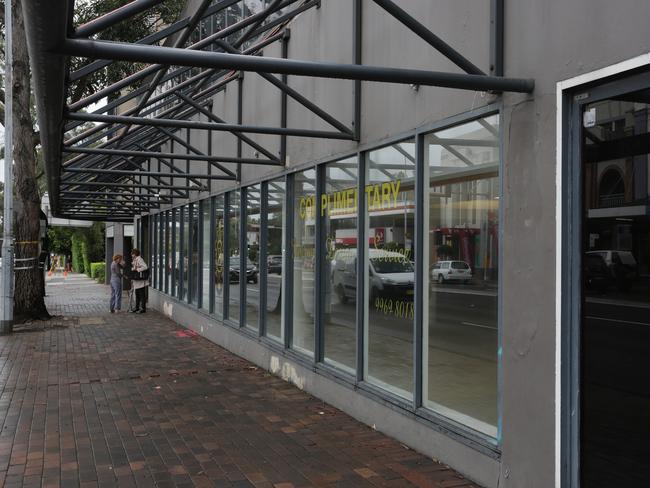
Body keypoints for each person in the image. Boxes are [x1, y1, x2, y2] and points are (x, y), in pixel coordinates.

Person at [130, 248, 149, 314]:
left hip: (140, 280)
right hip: (137, 280)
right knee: (137, 294)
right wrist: (134, 268)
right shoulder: (135, 259)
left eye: (132, 253)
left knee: (141, 294)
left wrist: (137, 269)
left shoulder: (140, 259)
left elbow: (145, 267)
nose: (132, 255)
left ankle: (143, 308)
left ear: (135, 254)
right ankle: (137, 307)